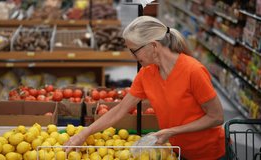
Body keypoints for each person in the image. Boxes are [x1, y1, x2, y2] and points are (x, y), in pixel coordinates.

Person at [64, 16, 226, 160]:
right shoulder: (147, 73)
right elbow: (120, 110)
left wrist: (173, 131)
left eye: (134, 51)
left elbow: (216, 117)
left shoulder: (193, 71)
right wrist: (85, 133)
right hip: (177, 151)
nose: (133, 57)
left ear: (153, 46)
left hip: (209, 153)